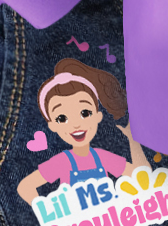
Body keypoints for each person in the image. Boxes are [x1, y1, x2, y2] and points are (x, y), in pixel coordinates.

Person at [16, 59, 149, 206]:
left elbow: (143, 177)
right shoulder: (62, 162)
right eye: (62, 118)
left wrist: (132, 140)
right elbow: (25, 187)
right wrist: (49, 212)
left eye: (85, 113)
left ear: (98, 116)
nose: (76, 124)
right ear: (52, 126)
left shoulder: (102, 158)